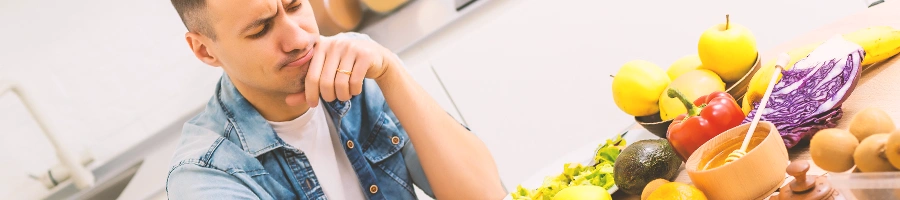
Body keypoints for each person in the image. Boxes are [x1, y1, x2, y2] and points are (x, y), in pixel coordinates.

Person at [164, 0, 506, 199]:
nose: (298, 39)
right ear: (205, 50)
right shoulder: (204, 176)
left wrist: (390, 71)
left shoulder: (357, 76)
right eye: (261, 29)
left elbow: (485, 195)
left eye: (296, 5)